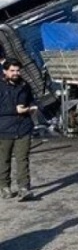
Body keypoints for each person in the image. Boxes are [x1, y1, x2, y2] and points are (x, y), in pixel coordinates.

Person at [0, 59, 37, 200]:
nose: (16, 73)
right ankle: (5, 187)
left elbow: (31, 99)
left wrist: (32, 107)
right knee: (4, 160)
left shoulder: (24, 85)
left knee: (23, 159)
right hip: (4, 128)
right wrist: (15, 110)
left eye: (17, 70)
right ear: (5, 71)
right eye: (12, 71)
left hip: (23, 127)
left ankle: (24, 188)